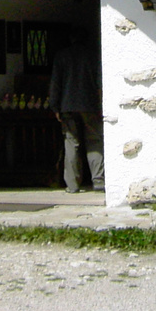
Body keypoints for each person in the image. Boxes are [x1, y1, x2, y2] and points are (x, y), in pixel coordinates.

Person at [48, 26, 104, 193]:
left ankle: (72, 185)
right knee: (94, 142)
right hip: (90, 104)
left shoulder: (61, 56)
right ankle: (98, 181)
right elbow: (100, 82)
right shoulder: (94, 56)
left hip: (67, 105)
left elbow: (55, 83)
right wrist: (101, 103)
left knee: (71, 144)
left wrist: (55, 106)